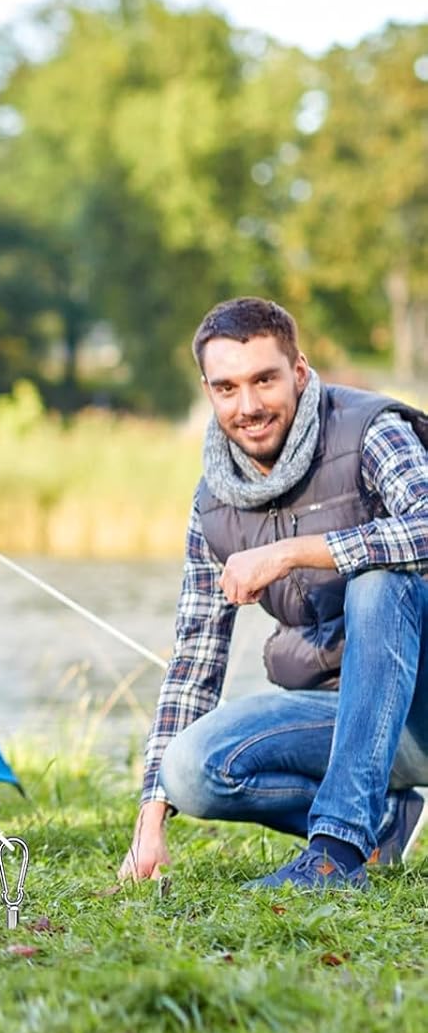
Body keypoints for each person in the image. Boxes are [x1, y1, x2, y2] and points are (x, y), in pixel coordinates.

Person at [120, 296, 428, 891]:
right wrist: (150, 821)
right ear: (209, 392)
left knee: (378, 581)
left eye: (265, 379)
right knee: (191, 771)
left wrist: (292, 551)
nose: (249, 405)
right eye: (227, 388)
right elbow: (194, 662)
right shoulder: (212, 504)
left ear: (300, 372)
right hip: (343, 715)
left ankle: (335, 855)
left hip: (423, 701)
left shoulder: (370, 431)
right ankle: (384, 822)